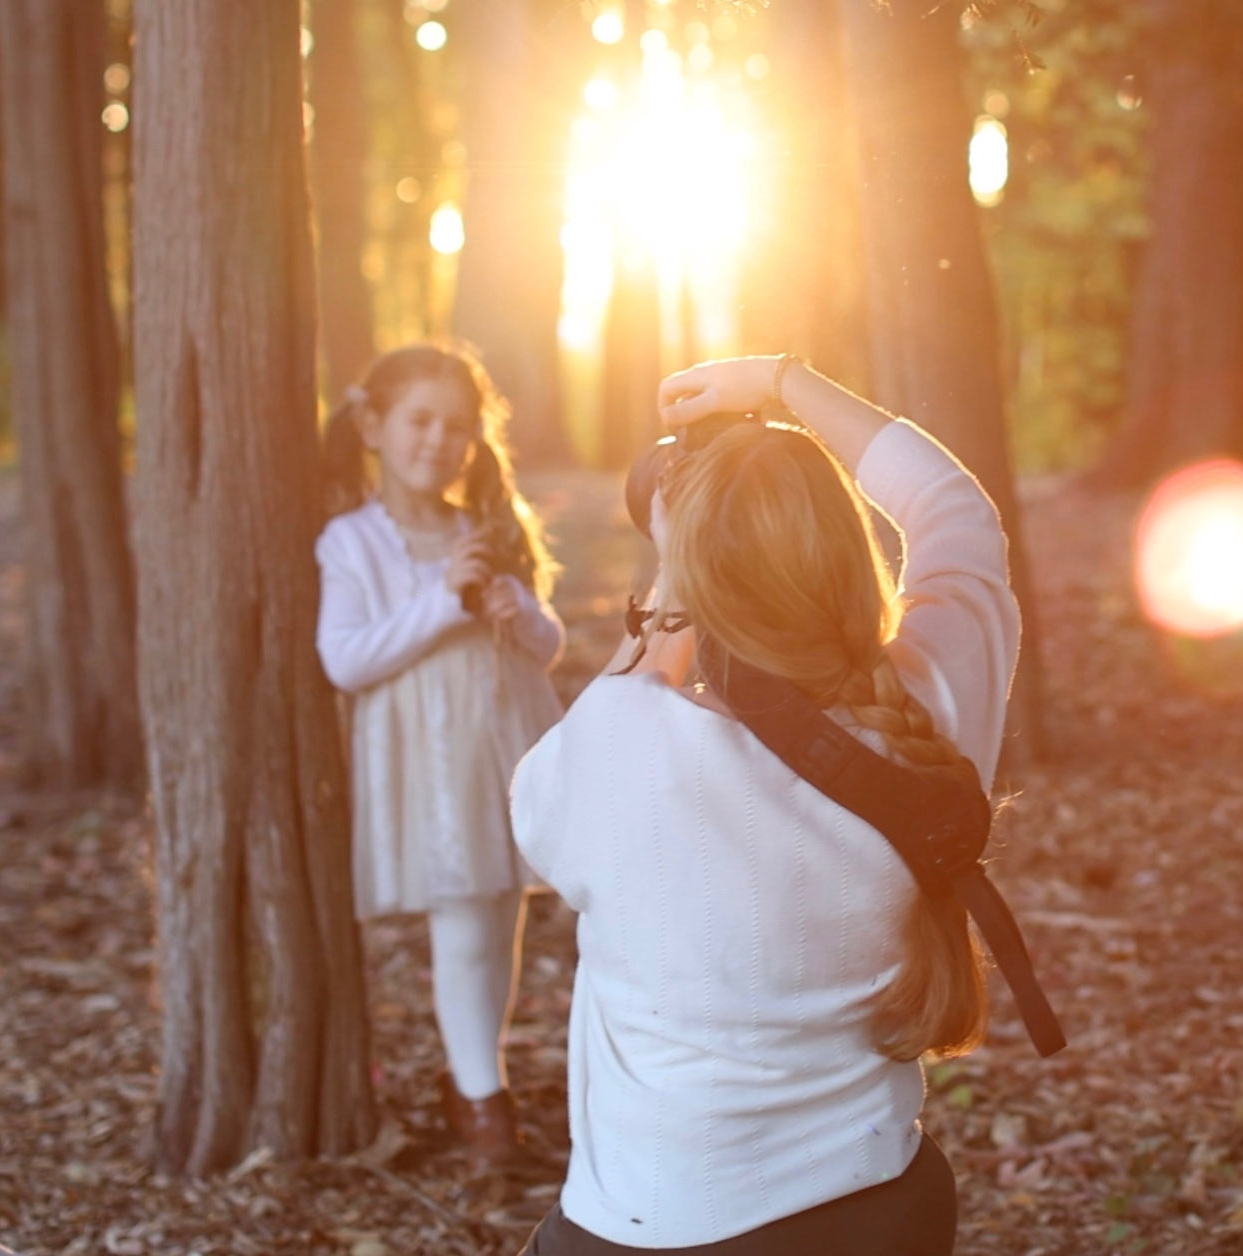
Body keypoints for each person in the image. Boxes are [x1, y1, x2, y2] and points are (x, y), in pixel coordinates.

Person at [510, 354, 1038, 1254]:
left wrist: (676, 587)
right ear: (844, 551)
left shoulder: (618, 745)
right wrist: (784, 383)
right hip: (881, 1208)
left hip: (657, 1224)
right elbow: (955, 514)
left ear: (688, 571)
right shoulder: (932, 704)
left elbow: (541, 814)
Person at [314, 343, 564, 1168]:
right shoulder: (350, 542)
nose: (437, 440)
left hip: (500, 739)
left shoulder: (481, 529)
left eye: (456, 427)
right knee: (461, 918)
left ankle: (474, 1077)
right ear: (373, 426)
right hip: (424, 760)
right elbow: (345, 659)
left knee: (502, 912)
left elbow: (546, 646)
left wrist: (512, 604)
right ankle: (483, 1104)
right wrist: (441, 601)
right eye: (419, 420)